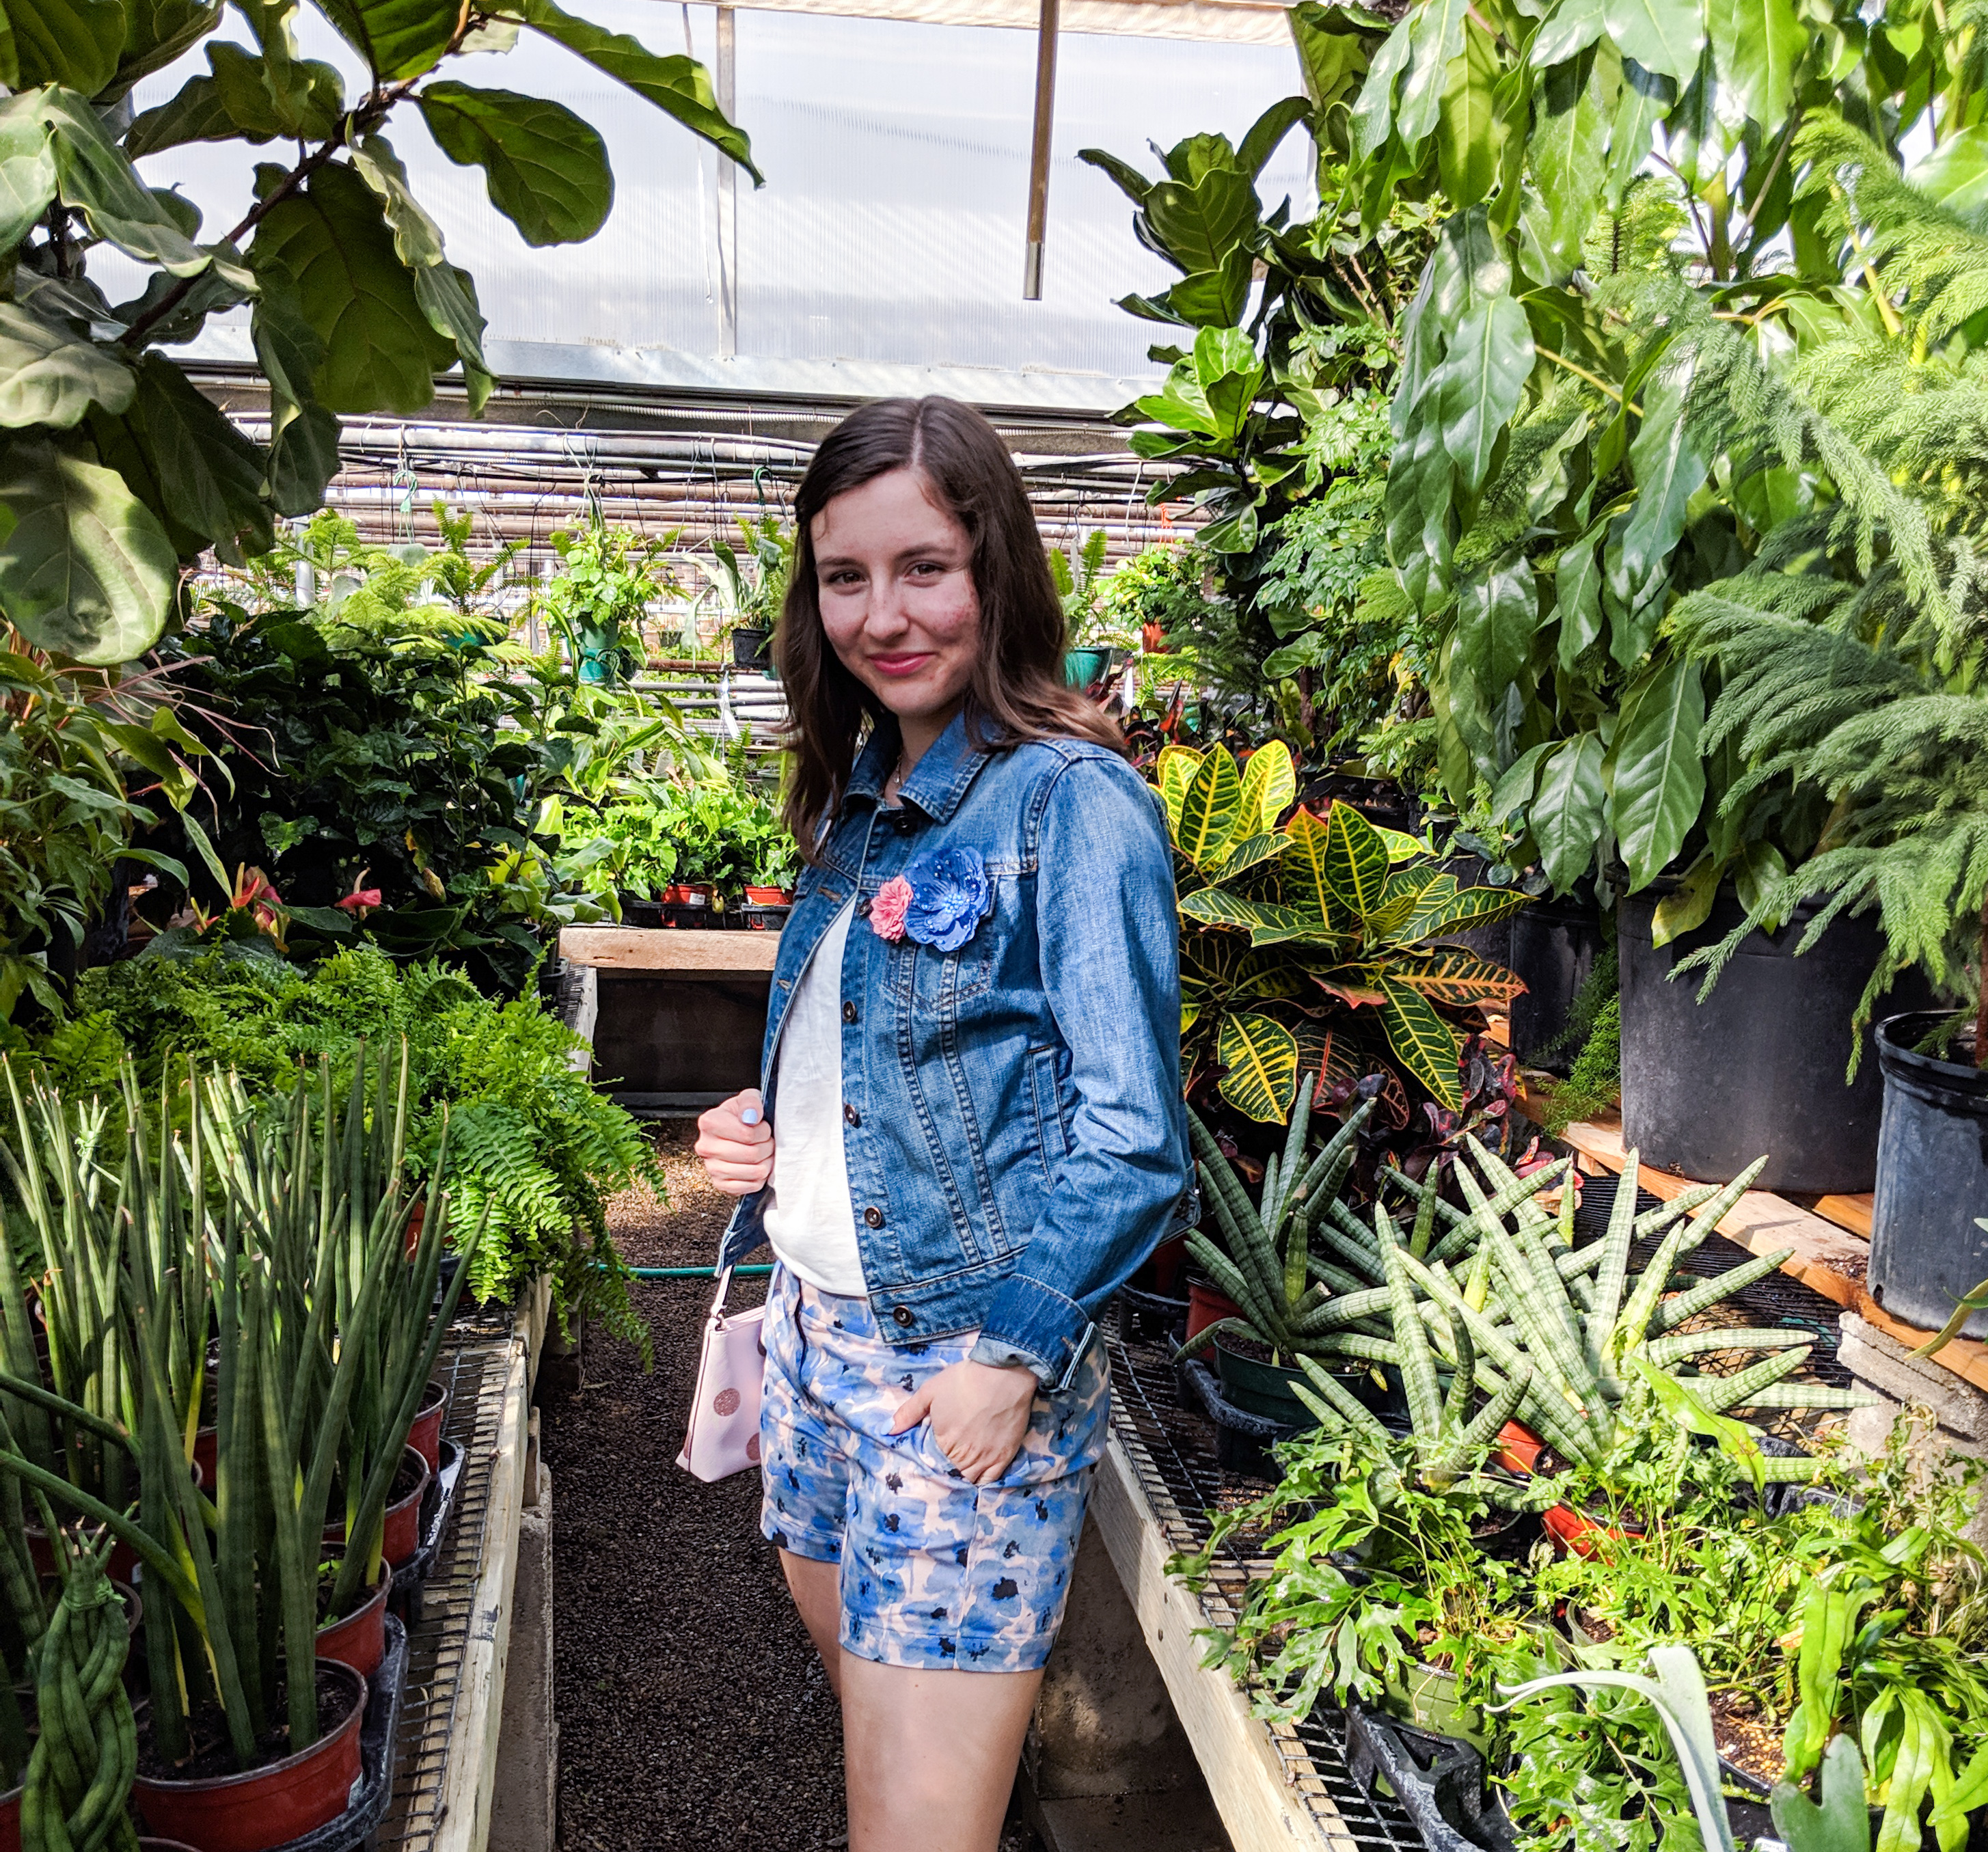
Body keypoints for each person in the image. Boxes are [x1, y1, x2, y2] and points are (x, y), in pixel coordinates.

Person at [694, 395, 1192, 1852]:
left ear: (997, 568)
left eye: (924, 567)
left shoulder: (1074, 803)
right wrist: (761, 1131)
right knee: (882, 1772)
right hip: (812, 1342)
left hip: (956, 1371)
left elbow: (1134, 1130)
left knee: (914, 1827)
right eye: (845, 576)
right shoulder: (865, 797)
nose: (881, 613)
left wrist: (1012, 1353)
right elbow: (882, 1062)